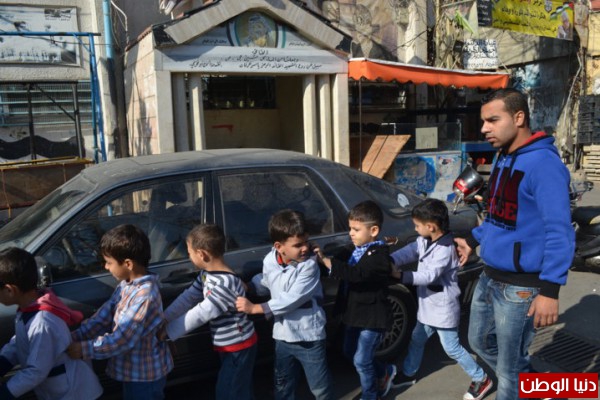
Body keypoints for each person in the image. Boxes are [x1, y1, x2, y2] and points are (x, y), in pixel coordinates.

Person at [454, 88, 574, 400]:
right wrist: (473, 240)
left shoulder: (544, 165)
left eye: (493, 120)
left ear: (519, 118)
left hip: (521, 287)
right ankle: (535, 385)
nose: (484, 128)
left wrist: (550, 290)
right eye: (484, 121)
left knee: (508, 373)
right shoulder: (504, 157)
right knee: (479, 342)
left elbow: (560, 231)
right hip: (490, 275)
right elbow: (498, 215)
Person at [388, 198, 492, 400]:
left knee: (452, 348)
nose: (415, 229)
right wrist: (391, 259)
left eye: (417, 225)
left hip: (443, 309)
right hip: (428, 306)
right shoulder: (424, 240)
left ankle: (481, 378)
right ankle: (409, 372)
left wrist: (400, 276)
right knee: (417, 338)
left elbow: (429, 276)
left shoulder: (445, 249)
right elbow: (410, 251)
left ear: (431, 226)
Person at [235, 209, 333, 400]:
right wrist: (251, 286)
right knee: (282, 384)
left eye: (306, 242)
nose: (305, 248)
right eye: (298, 245)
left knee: (319, 387)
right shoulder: (270, 260)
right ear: (279, 247)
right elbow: (268, 281)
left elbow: (293, 298)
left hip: (309, 337)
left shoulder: (309, 266)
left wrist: (257, 308)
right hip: (283, 336)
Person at [67, 224, 173, 400]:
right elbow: (103, 317)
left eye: (109, 262)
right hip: (133, 373)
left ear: (128, 264)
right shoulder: (126, 285)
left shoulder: (144, 296)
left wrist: (84, 348)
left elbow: (122, 339)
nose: (106, 267)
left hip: (144, 377)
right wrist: (74, 337)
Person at [160, 224, 257, 400]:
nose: (188, 257)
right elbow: (189, 297)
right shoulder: (206, 274)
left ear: (202, 254)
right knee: (239, 388)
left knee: (228, 392)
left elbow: (202, 313)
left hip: (238, 347)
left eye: (189, 253)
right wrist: (164, 318)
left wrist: (168, 331)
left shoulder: (226, 283)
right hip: (227, 345)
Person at [315, 200, 397, 400]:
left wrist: (327, 261)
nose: (351, 233)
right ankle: (384, 371)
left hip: (373, 318)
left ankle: (370, 395)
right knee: (349, 350)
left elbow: (356, 274)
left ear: (374, 230)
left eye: (356, 229)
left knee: (361, 361)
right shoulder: (354, 249)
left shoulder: (379, 257)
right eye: (350, 228)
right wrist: (318, 259)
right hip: (354, 314)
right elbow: (338, 262)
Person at [0, 247, 103, 400]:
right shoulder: (28, 310)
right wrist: (3, 362)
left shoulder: (42, 322)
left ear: (10, 290)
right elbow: (20, 341)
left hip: (75, 394)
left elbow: (36, 371)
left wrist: (5, 392)